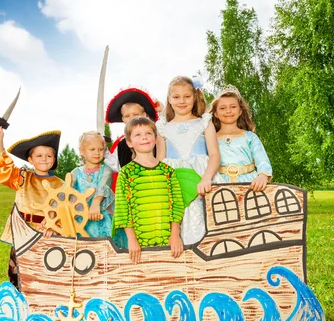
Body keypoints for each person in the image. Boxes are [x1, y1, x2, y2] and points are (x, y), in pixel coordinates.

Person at [0, 127, 63, 288]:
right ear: (30, 160)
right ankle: (19, 301)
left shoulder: (61, 184)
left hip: (47, 233)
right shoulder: (23, 177)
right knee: (18, 270)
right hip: (22, 231)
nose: (44, 159)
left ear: (54, 158)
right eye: (39, 155)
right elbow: (5, 170)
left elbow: (65, 210)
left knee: (45, 270)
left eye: (49, 155)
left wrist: (54, 225)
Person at [156, 76, 221, 244]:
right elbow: (160, 161)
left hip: (201, 176)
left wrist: (206, 178)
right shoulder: (163, 128)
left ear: (194, 97)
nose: (181, 101)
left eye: (187, 96)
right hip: (173, 180)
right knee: (176, 219)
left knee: (202, 218)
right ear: (169, 99)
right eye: (176, 97)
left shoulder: (204, 123)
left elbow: (214, 155)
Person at [113, 116, 184, 264]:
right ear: (129, 142)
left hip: (167, 239)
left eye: (148, 133)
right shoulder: (126, 173)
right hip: (138, 244)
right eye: (138, 135)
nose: (144, 138)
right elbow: (122, 209)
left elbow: (177, 204)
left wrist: (175, 235)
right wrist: (131, 240)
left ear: (155, 138)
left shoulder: (168, 171)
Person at [209, 85, 272, 190]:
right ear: (215, 113)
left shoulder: (250, 137)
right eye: (222, 108)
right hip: (219, 184)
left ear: (240, 111)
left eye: (233, 107)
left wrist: (263, 175)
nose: (228, 111)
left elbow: (262, 160)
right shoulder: (210, 138)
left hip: (249, 185)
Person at [104, 87, 161, 173]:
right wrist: (104, 150)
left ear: (144, 115)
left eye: (135, 114)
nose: (131, 118)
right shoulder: (121, 145)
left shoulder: (154, 137)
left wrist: (162, 112)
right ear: (123, 119)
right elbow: (116, 166)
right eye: (127, 116)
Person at [70, 131, 114, 238]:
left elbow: (103, 186)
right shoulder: (75, 173)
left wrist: (96, 203)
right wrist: (51, 214)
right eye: (92, 149)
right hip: (81, 219)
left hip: (102, 216)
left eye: (100, 149)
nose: (97, 153)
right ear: (82, 151)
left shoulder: (106, 170)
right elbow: (65, 192)